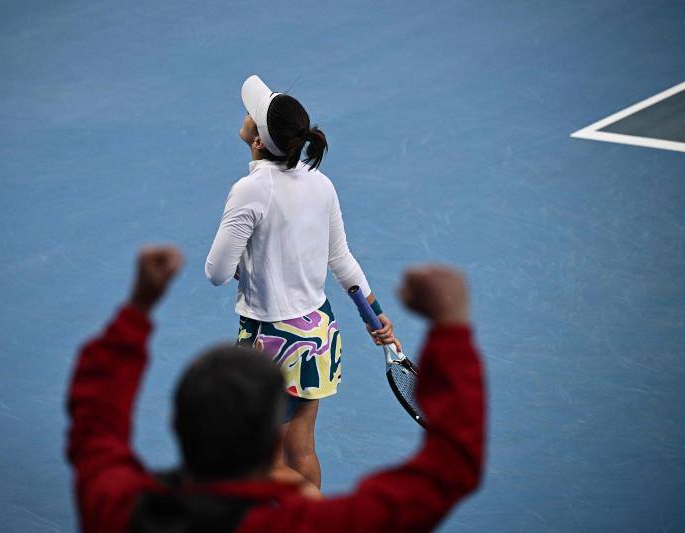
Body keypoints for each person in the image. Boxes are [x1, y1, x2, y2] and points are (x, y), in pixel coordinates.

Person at [67, 245, 485, 532]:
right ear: (270, 443)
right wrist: (451, 327)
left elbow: (94, 425)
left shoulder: (117, 508)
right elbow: (450, 470)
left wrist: (138, 307)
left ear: (178, 425)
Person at [205, 75, 403, 488]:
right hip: (318, 332)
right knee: (302, 451)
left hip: (269, 341)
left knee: (265, 460)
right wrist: (375, 317)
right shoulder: (321, 183)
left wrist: (249, 261)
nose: (245, 115)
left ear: (258, 141)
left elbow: (216, 273)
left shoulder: (249, 191)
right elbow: (341, 260)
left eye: (250, 115)